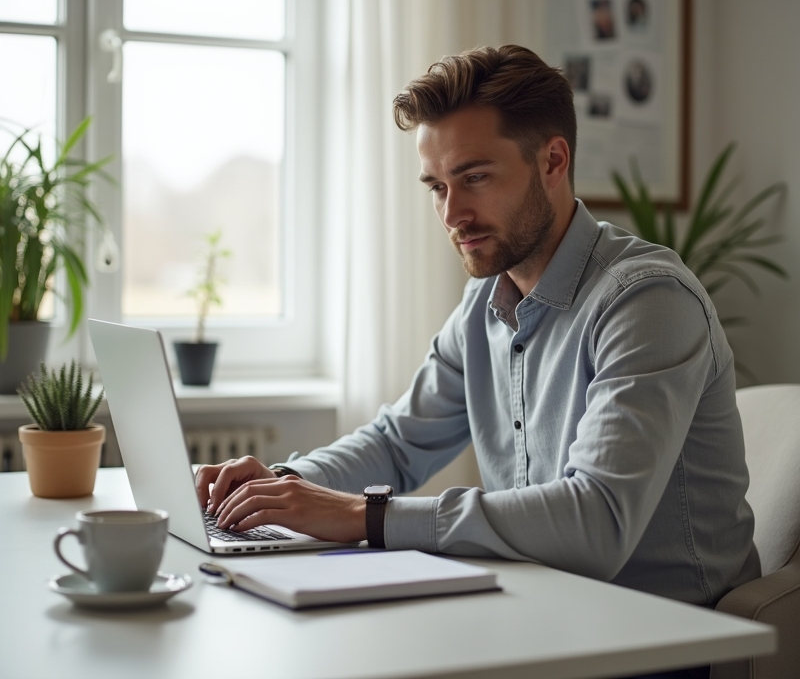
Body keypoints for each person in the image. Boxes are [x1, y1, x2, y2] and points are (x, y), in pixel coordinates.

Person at [196, 45, 758, 624]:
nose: (452, 214)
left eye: (475, 177)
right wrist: (283, 485)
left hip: (669, 633)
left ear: (553, 161)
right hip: (541, 612)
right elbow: (398, 442)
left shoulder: (647, 300)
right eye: (437, 187)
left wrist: (363, 516)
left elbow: (599, 520)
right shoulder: (482, 305)